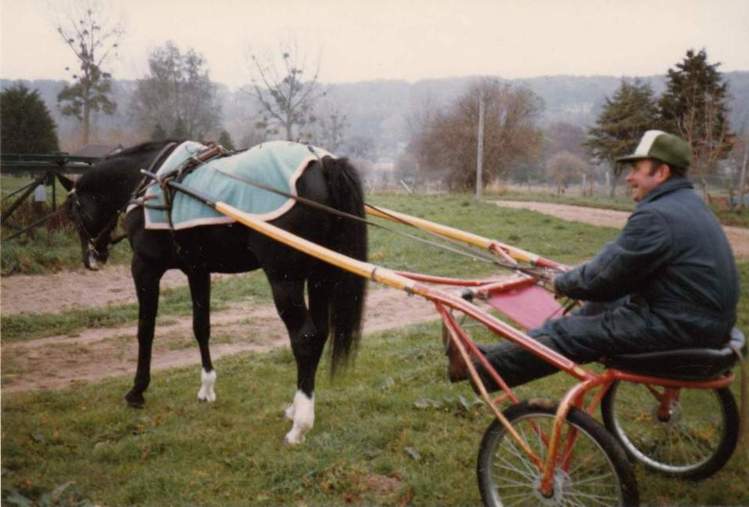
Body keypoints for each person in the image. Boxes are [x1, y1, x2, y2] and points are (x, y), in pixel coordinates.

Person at [448, 130, 740, 390]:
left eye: (637, 169)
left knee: (567, 333)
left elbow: (606, 276)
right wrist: (581, 280)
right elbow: (619, 268)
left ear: (661, 173)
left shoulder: (657, 216)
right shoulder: (688, 205)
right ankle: (486, 355)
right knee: (596, 309)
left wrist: (562, 283)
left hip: (680, 328)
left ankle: (480, 372)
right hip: (701, 321)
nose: (629, 177)